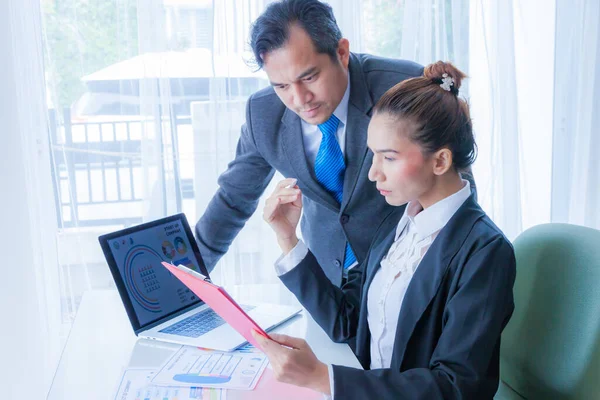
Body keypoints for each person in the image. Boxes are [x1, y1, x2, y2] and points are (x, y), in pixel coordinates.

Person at [252, 61, 516, 399]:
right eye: (373, 155)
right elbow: (347, 322)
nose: (373, 174)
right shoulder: (396, 224)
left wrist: (324, 379)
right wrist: (287, 239)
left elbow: (456, 386)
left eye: (388, 158)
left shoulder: (485, 252)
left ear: (440, 161)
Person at [194, 0, 425, 286]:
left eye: (309, 77)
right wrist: (188, 281)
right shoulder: (263, 114)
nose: (299, 99)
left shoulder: (406, 87)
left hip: (411, 278)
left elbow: (453, 188)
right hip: (327, 292)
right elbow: (232, 201)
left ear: (341, 52)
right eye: (281, 86)